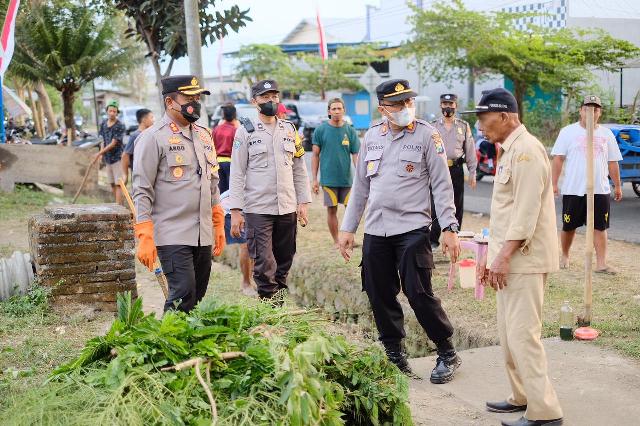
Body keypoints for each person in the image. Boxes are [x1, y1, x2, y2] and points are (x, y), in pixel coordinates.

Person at [338, 79, 462, 383]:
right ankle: (394, 354)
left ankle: (447, 352)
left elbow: (442, 184)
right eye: (398, 104)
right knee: (379, 294)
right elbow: (360, 188)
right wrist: (348, 228)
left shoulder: (426, 135)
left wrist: (449, 227)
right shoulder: (371, 137)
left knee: (418, 293)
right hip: (377, 229)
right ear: (383, 108)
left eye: (409, 102)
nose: (406, 108)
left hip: (413, 228)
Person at [465, 88, 563, 426]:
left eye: (483, 117)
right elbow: (504, 214)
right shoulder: (509, 150)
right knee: (509, 336)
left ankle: (545, 412)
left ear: (505, 116)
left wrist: (504, 256)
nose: (480, 125)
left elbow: (525, 212)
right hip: (509, 258)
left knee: (524, 336)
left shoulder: (527, 152)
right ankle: (521, 395)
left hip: (525, 258)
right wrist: (492, 258)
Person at [132, 75, 226, 313]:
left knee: (197, 296)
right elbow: (142, 189)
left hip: (202, 232)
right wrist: (144, 232)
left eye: (197, 97)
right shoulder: (152, 138)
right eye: (188, 97)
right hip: (172, 232)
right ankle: (168, 342)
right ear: (169, 102)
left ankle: (189, 346)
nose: (195, 102)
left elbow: (212, 180)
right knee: (182, 292)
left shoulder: (205, 135)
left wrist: (218, 221)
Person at [228, 79, 311, 301]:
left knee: (284, 261)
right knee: (264, 264)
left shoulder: (290, 129)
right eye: (265, 97)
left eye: (274, 96)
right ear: (254, 101)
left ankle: (279, 308)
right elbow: (237, 171)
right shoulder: (245, 131)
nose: (271, 101)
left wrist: (303, 202)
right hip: (258, 209)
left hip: (286, 207)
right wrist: (236, 210)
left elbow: (299, 168)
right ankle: (269, 311)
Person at [551, 95, 623, 274]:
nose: (591, 112)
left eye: (595, 109)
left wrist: (618, 185)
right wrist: (554, 184)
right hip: (574, 189)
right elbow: (558, 158)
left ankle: (601, 263)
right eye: (587, 109)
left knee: (600, 226)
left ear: (600, 112)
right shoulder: (568, 132)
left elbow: (612, 162)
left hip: (599, 189)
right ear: (580, 111)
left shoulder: (606, 134)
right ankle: (565, 255)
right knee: (569, 226)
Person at [429, 93, 477, 248]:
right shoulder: (433, 126)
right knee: (436, 204)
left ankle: (455, 238)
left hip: (456, 169)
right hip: (438, 170)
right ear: (440, 105)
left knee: (457, 205)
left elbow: (470, 150)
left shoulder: (463, 126)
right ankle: (433, 240)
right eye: (444, 103)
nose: (447, 107)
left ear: (456, 106)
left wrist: (473, 172)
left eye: (451, 104)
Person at [311, 98, 360, 247]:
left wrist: (360, 177)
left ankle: (349, 239)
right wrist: (314, 179)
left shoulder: (350, 131)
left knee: (350, 211)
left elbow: (355, 156)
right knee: (332, 210)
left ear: (344, 110)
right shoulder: (320, 130)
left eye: (339, 108)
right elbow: (315, 155)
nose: (337, 111)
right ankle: (337, 241)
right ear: (329, 111)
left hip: (347, 180)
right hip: (328, 180)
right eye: (334, 109)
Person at [220, 189, 257, 296]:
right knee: (246, 246)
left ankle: (253, 280)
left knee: (257, 244)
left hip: (252, 209)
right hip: (231, 209)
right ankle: (246, 284)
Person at [95, 100, 126, 203]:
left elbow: (113, 143)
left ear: (117, 113)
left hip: (117, 158)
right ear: (107, 111)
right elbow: (102, 140)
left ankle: (119, 206)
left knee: (118, 184)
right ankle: (118, 204)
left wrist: (99, 153)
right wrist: (101, 154)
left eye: (114, 111)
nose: (112, 113)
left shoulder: (120, 125)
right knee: (112, 183)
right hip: (107, 158)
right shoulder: (103, 124)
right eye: (110, 111)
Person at [121, 108, 154, 184]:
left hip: (150, 174)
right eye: (151, 117)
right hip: (140, 176)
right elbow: (125, 155)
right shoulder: (136, 135)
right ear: (144, 120)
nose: (153, 120)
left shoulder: (149, 134)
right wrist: (125, 175)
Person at [213, 104, 239, 193]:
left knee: (221, 190)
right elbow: (238, 149)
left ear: (223, 115)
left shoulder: (216, 129)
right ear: (235, 115)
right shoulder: (235, 131)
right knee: (231, 191)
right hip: (230, 163)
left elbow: (212, 146)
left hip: (218, 163)